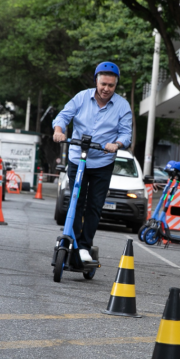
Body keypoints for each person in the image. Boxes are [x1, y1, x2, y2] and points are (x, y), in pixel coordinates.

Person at [52, 61, 132, 262]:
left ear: (115, 85)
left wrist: (117, 144)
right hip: (77, 157)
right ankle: (71, 240)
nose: (106, 89)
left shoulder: (122, 105)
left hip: (102, 161)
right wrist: (59, 130)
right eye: (103, 84)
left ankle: (84, 246)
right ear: (96, 81)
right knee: (76, 201)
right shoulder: (81, 97)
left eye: (111, 85)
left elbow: (126, 133)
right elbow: (63, 116)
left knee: (95, 205)